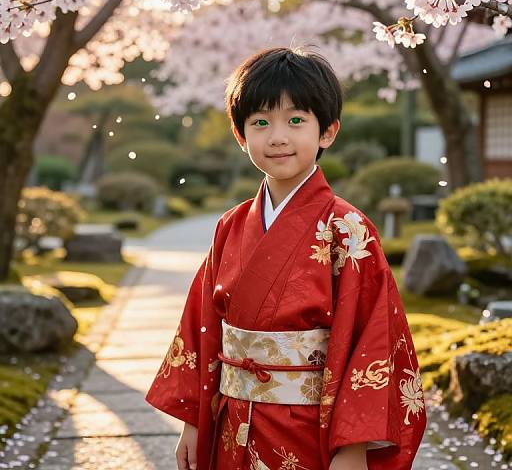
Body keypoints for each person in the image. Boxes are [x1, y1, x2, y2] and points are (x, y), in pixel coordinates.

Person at [145, 47, 427, 470]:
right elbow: (201, 323)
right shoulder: (232, 225)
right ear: (241, 137)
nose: (277, 136)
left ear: (327, 132)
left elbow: (373, 338)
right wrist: (194, 421)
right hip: (232, 419)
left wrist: (352, 448)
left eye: (296, 120)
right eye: (260, 122)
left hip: (307, 426)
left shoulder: (348, 229)